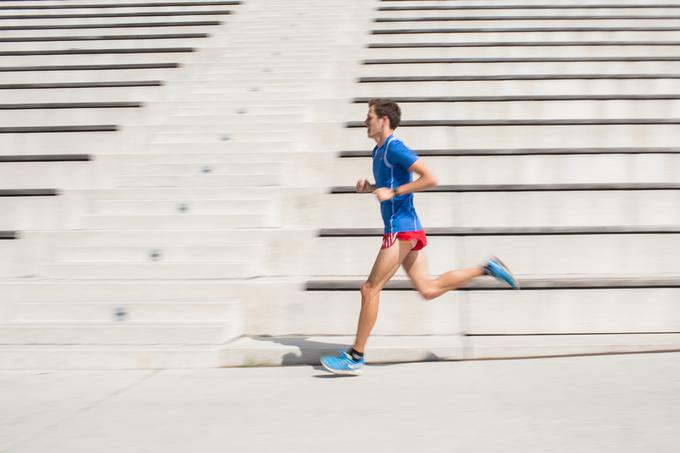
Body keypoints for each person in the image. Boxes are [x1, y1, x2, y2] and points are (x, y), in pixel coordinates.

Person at [320, 98, 519, 375]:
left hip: (400, 228)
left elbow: (430, 178)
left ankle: (356, 356)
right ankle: (485, 268)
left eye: (369, 117)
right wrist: (372, 188)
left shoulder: (394, 148)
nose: (365, 122)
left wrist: (395, 193)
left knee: (370, 289)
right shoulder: (377, 152)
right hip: (407, 227)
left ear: (383, 120)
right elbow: (390, 184)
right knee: (428, 289)